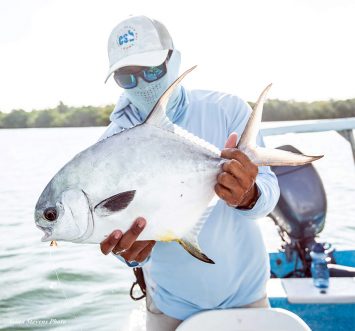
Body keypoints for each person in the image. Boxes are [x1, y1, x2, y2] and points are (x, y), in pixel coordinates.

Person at [99, 15, 280, 331]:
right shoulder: (110, 147)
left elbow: (269, 192)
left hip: (248, 296)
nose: (142, 84)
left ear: (175, 59)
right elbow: (113, 231)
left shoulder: (228, 110)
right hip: (170, 307)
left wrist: (249, 195)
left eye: (153, 70)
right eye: (127, 77)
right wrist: (129, 255)